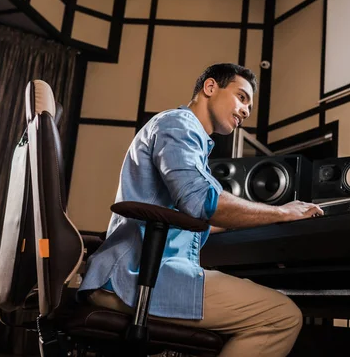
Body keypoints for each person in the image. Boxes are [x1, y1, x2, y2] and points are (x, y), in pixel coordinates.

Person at [78, 63, 324, 357]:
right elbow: (201, 202)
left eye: (250, 105)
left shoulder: (191, 143)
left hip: (142, 274)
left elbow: (196, 218)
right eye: (242, 97)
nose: (246, 110)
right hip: (137, 278)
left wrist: (266, 218)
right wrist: (282, 212)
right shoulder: (178, 126)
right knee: (281, 317)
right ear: (210, 88)